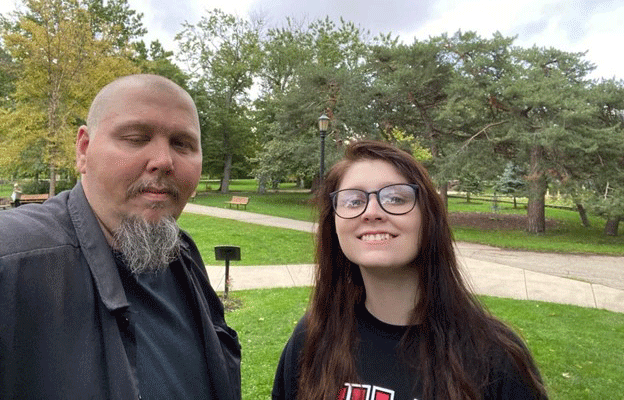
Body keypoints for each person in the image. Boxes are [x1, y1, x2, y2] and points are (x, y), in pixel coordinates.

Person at [0, 74, 241, 399]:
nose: (163, 161)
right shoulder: (13, 261)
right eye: (136, 138)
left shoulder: (181, 253)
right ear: (84, 150)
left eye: (182, 144)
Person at [273, 140, 548, 400]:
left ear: (428, 219)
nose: (371, 212)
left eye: (395, 198)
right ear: (333, 224)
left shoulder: (495, 355)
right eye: (353, 201)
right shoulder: (313, 337)